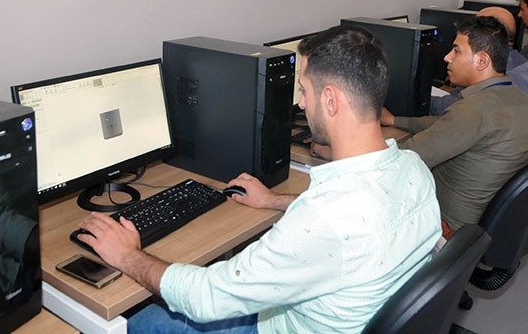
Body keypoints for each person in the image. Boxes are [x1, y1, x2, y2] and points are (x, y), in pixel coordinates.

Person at [77, 25, 441, 333]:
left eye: (304, 91)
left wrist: (128, 255)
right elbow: (353, 223)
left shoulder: (322, 219)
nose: (300, 104)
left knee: (144, 320)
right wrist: (272, 201)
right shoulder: (414, 169)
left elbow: (207, 298)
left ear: (331, 100)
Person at [380, 16, 528, 238]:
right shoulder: (518, 98)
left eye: (456, 51)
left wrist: (343, 147)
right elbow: (445, 124)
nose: (447, 57)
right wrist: (395, 120)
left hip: (450, 226)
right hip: (491, 222)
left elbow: (403, 158)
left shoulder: (474, 110)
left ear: (482, 61)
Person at [430, 6, 528, 116]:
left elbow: (450, 109)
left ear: (493, 32)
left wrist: (420, 96)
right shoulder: (522, 63)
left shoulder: (493, 69)